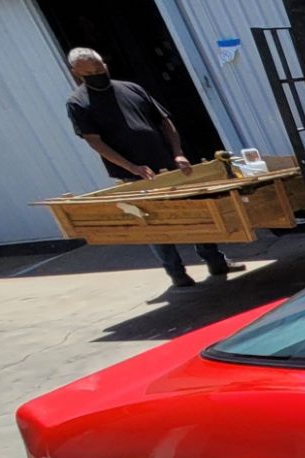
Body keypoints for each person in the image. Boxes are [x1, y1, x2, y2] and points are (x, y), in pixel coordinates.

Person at [65, 47, 243, 288]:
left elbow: (164, 122)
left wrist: (178, 154)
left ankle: (215, 261)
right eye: (90, 71)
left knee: (196, 214)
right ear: (76, 72)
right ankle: (177, 273)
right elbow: (94, 141)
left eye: (100, 67)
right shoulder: (78, 102)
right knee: (153, 224)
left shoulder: (131, 88)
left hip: (166, 164)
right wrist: (131, 167)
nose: (98, 73)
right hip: (132, 175)